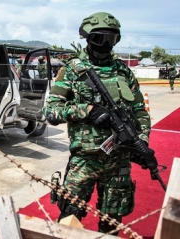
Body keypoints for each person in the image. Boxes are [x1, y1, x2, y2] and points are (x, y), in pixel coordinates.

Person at [45, 12, 153, 234]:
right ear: (87, 38)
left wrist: (141, 140)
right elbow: (51, 112)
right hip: (85, 161)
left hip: (118, 161)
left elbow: (140, 111)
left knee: (112, 223)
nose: (105, 44)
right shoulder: (73, 70)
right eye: (99, 38)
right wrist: (87, 110)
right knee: (69, 219)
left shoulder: (123, 71)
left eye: (111, 39)